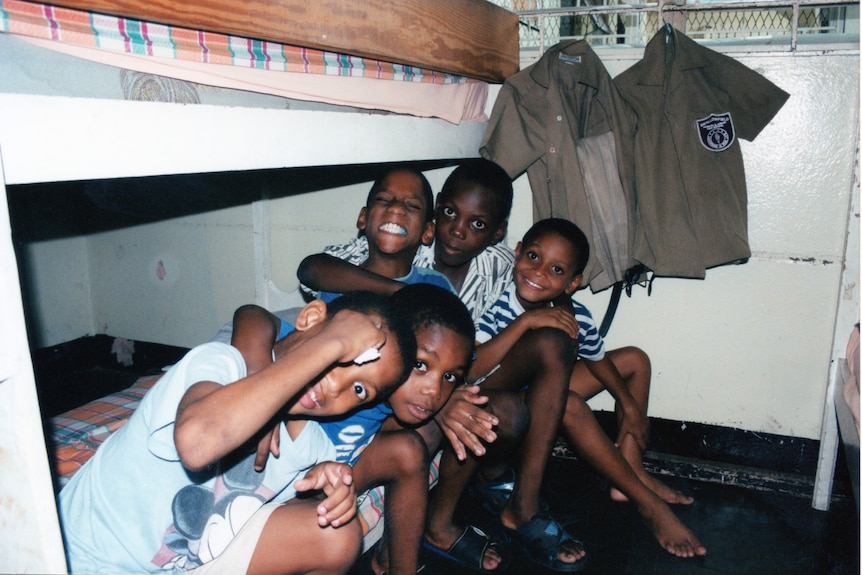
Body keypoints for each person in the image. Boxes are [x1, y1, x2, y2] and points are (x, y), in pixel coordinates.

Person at [58, 291, 416, 575]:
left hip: (177, 567)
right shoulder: (220, 364)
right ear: (310, 319)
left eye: (359, 390)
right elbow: (198, 444)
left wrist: (328, 484)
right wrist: (331, 344)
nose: (336, 385)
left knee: (338, 533)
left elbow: (261, 514)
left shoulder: (312, 444)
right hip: (81, 558)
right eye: (342, 358)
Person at [466, 217, 707, 570]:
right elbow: (473, 371)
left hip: (543, 395)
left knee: (635, 360)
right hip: (502, 404)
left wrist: (629, 407)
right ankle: (648, 503)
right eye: (532, 256)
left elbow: (598, 360)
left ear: (572, 282)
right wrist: (525, 324)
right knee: (572, 405)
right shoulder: (499, 303)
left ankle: (629, 473)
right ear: (517, 253)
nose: (539, 272)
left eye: (556, 269)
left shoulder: (574, 313)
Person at [298, 165, 454, 302]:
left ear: (427, 231)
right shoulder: (336, 285)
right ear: (363, 218)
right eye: (383, 199)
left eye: (412, 205)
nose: (396, 208)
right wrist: (401, 291)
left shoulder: (437, 285)